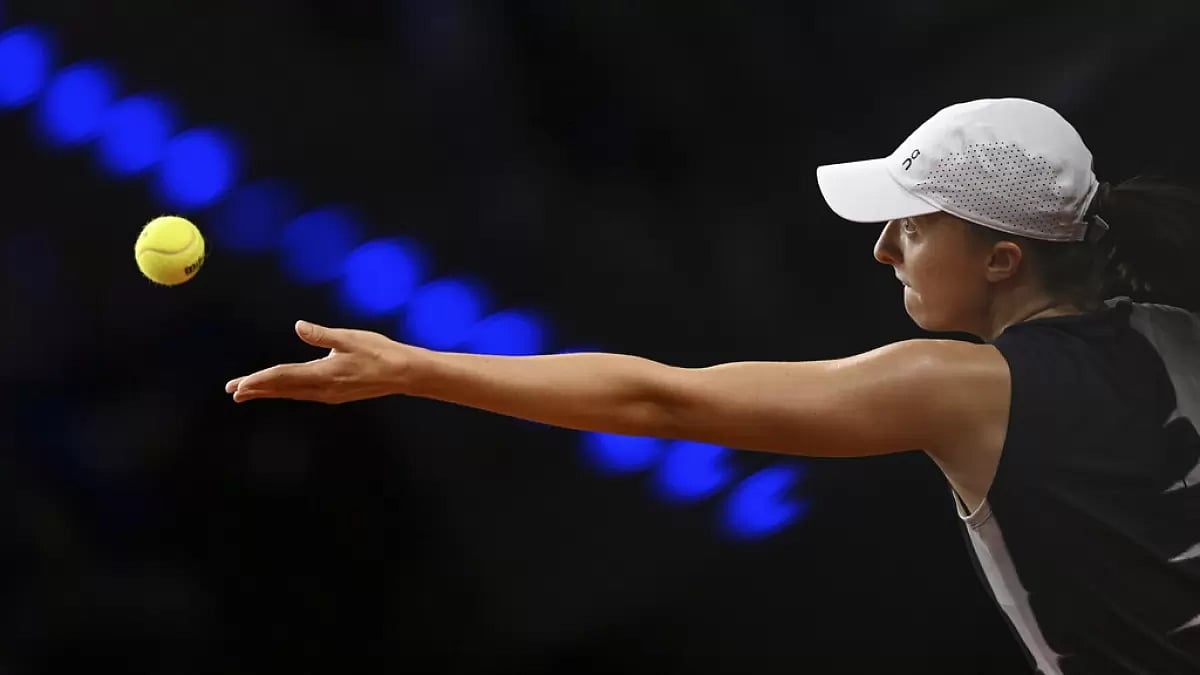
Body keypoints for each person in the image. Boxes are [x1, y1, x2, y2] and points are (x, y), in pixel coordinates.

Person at [225, 98, 1200, 674]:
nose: (882, 247)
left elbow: (664, 402)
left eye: (914, 223)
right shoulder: (1177, 331)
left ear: (1001, 260)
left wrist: (415, 368)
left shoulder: (962, 387)